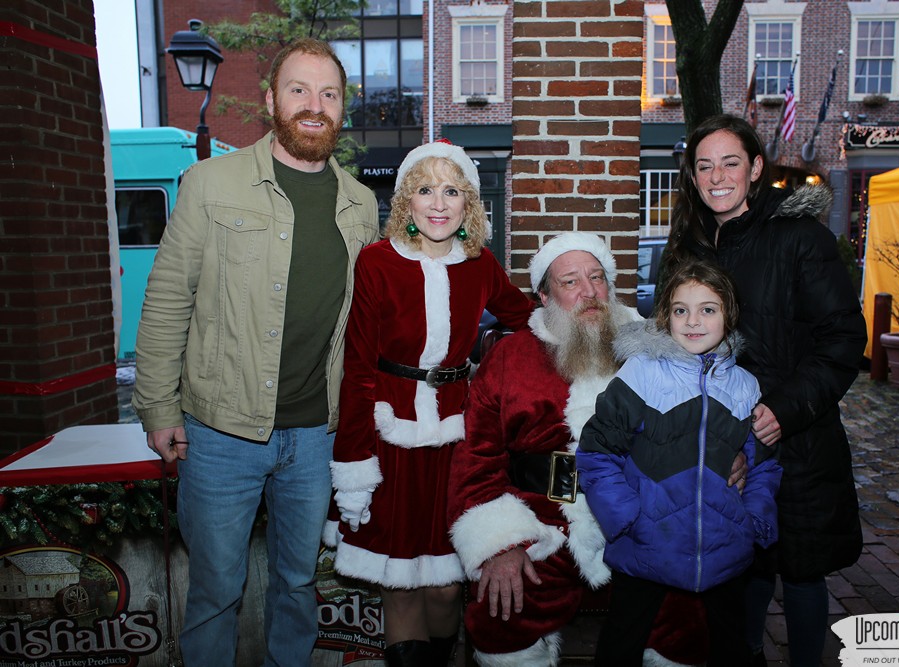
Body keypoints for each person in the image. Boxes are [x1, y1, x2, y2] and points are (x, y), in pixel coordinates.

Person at [131, 38, 379, 667]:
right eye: (299, 90)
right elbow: (165, 300)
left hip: (316, 434)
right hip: (219, 432)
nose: (313, 106)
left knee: (298, 586)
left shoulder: (361, 204)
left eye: (328, 94)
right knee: (215, 591)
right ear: (271, 99)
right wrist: (158, 408)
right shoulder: (209, 183)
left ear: (342, 109)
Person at [448, 232, 749, 667]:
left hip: (643, 519)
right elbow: (477, 458)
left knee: (682, 619)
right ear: (545, 295)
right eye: (570, 282)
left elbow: (707, 416)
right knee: (503, 614)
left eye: (597, 278)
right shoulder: (510, 356)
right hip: (540, 521)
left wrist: (728, 454)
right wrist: (499, 544)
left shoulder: (659, 350)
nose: (589, 292)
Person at [655, 114, 868, 667]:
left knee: (798, 569)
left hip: (795, 437)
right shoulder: (686, 247)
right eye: (705, 165)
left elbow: (843, 339)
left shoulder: (801, 239)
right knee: (740, 566)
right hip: (716, 440)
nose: (717, 176)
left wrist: (783, 409)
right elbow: (671, 344)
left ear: (754, 169)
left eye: (730, 162)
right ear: (693, 175)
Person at [324, 140, 534, 667]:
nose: (438, 203)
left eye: (451, 191)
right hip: (388, 436)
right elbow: (357, 369)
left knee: (445, 586)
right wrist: (354, 461)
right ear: (405, 202)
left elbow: (530, 320)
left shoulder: (480, 264)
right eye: (424, 190)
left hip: (456, 443)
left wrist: (593, 322)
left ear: (468, 203)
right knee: (398, 581)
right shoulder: (376, 263)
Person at [578, 261, 782, 666]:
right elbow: (597, 453)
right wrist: (627, 520)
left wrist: (752, 520)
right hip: (646, 545)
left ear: (730, 316)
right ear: (664, 315)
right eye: (680, 309)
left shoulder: (744, 386)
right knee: (621, 642)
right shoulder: (641, 375)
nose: (693, 321)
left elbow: (764, 465)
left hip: (725, 548)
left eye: (708, 309)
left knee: (731, 645)